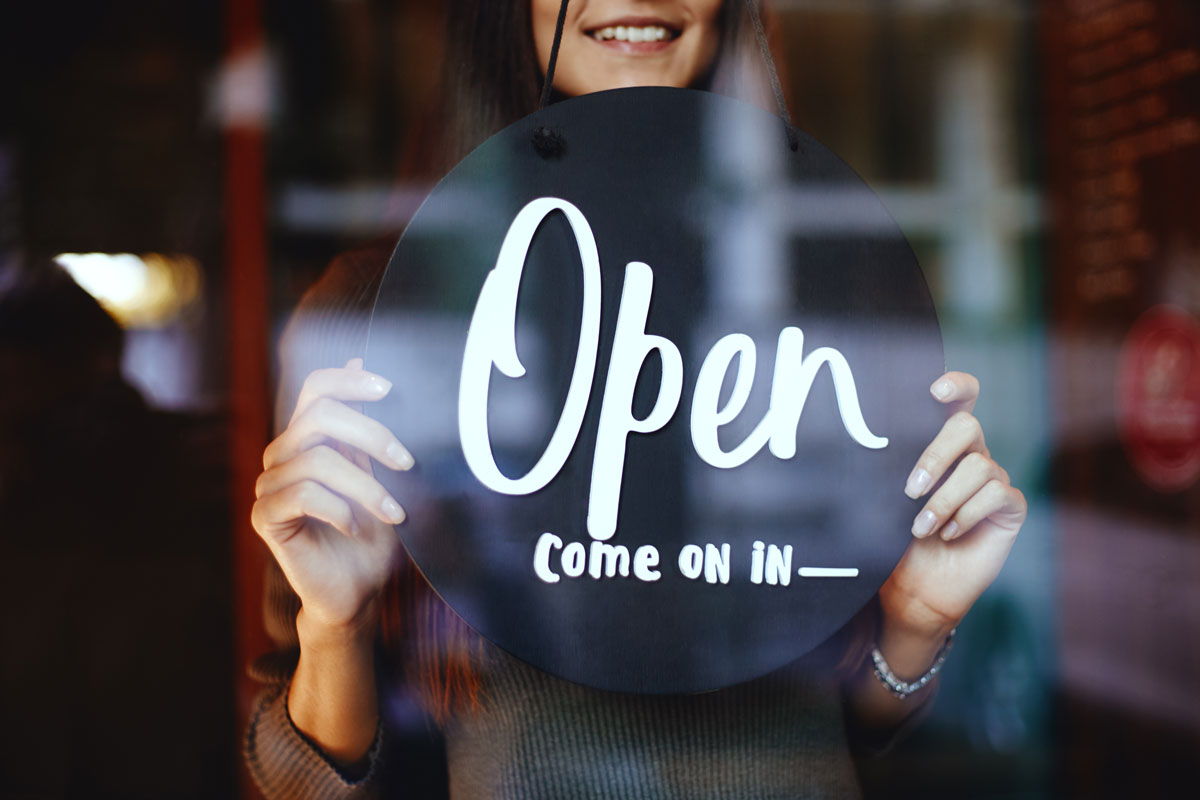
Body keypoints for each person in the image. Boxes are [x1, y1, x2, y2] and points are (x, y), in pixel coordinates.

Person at [245, 1, 1028, 797]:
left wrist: (916, 622)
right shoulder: (380, 317)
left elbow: (856, 737)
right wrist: (335, 628)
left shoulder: (834, 290)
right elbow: (298, 780)